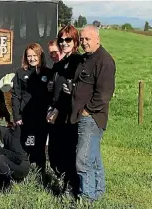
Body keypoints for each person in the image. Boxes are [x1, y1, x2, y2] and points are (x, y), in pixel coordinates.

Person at [70, 25, 116, 201]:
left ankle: (86, 198)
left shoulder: (104, 61)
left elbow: (104, 94)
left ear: (98, 39)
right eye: (82, 39)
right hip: (83, 116)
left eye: (87, 39)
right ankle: (97, 193)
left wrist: (87, 110)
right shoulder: (86, 58)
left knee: (83, 160)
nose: (84, 42)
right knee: (94, 158)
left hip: (92, 118)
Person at [46, 25, 82, 196]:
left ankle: (71, 187)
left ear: (75, 41)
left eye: (68, 39)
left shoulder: (79, 62)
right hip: (55, 115)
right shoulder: (58, 65)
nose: (64, 43)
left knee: (68, 153)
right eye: (61, 40)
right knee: (53, 152)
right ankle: (63, 179)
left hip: (70, 115)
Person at [12, 43, 50, 174]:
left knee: (40, 146)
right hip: (27, 118)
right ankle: (25, 171)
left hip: (42, 117)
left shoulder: (47, 73)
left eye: (35, 55)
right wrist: (17, 117)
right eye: (29, 56)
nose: (32, 58)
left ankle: (41, 173)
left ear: (40, 56)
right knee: (29, 144)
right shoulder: (20, 73)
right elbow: (16, 96)